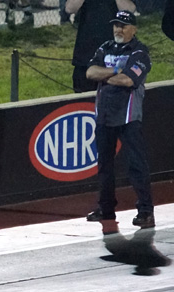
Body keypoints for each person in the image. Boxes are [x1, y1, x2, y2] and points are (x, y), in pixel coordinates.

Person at [85, 11, 154, 229]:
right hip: (104, 116)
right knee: (104, 165)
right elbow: (90, 73)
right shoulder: (104, 47)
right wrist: (116, 69)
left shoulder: (140, 52)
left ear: (134, 29)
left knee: (136, 165)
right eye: (116, 25)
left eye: (123, 26)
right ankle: (106, 208)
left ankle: (145, 211)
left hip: (128, 117)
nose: (118, 29)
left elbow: (127, 80)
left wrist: (105, 75)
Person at [67, 0, 136, 93]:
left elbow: (130, 9)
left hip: (115, 55)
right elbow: (70, 8)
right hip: (86, 54)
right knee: (85, 98)